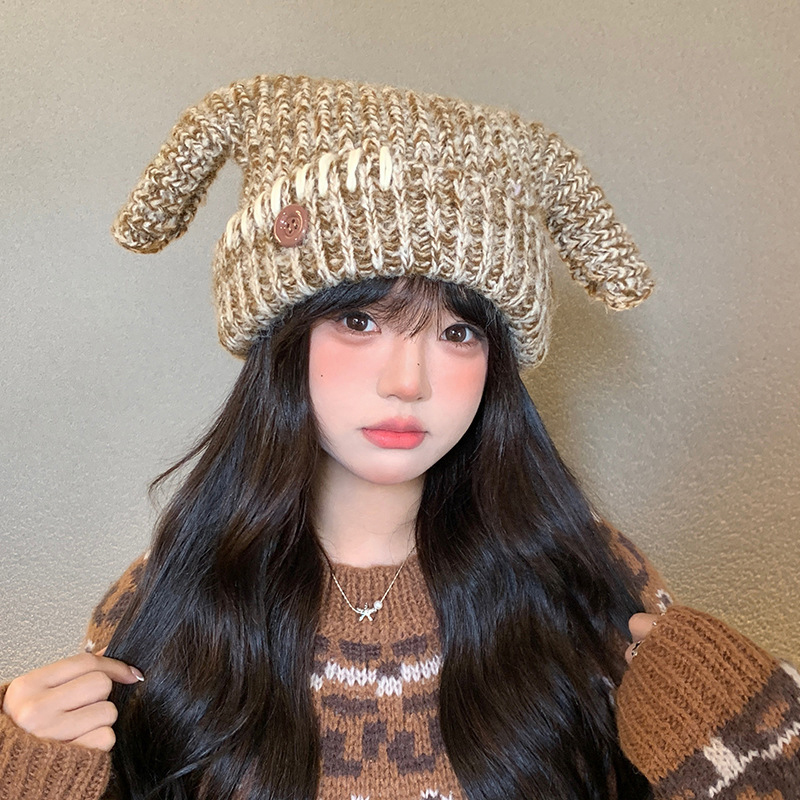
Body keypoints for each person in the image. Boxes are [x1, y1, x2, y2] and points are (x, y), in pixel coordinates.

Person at [1, 74, 798, 800]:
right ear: (284, 340)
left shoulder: (585, 579)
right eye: (359, 320)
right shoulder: (177, 596)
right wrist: (28, 772)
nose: (407, 381)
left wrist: (759, 749)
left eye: (457, 333)